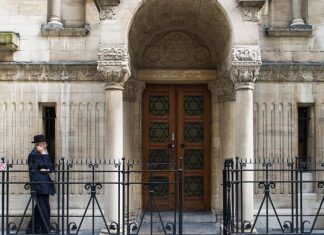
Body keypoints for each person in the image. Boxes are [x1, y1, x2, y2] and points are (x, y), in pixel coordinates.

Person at [25, 135, 55, 234]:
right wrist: (43, 158)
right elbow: (43, 167)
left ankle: (32, 228)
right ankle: (46, 230)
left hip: (44, 184)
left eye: (45, 143)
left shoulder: (43, 154)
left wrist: (46, 168)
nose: (45, 146)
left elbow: (50, 168)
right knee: (44, 208)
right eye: (43, 144)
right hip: (39, 185)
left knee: (40, 208)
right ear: (37, 145)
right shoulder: (34, 155)